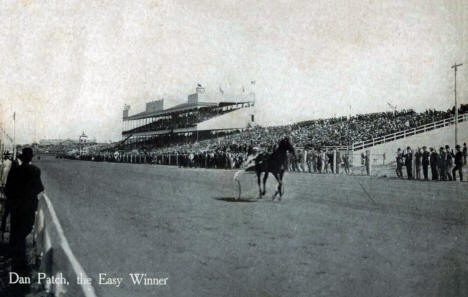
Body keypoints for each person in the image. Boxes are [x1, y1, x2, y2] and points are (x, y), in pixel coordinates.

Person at [4, 148, 44, 259]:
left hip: (16, 205)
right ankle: (19, 255)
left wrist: (13, 200)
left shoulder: (14, 170)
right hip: (29, 205)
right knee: (27, 227)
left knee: (15, 228)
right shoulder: (35, 170)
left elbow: (8, 188)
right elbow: (40, 188)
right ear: (31, 157)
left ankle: (14, 253)